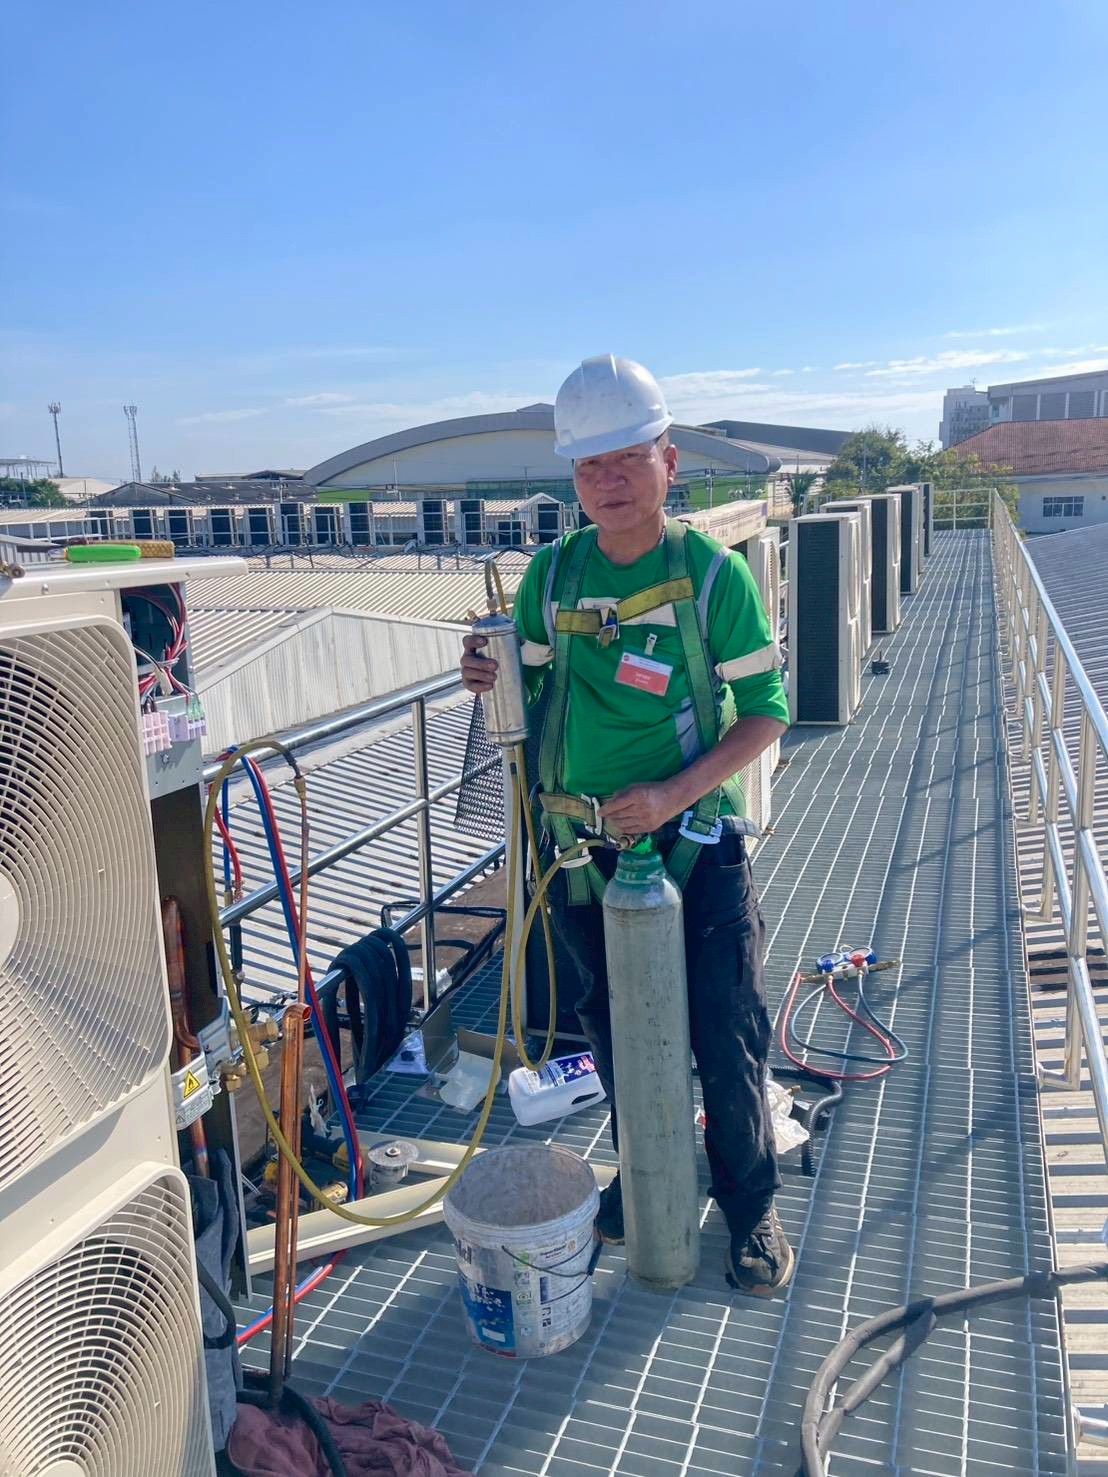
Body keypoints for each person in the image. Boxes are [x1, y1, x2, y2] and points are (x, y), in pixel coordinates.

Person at [460, 355, 792, 1295]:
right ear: (574, 477)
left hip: (693, 847)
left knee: (723, 1032)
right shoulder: (551, 576)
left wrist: (676, 793)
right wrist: (487, 677)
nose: (608, 480)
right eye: (589, 465)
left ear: (668, 461)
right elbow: (528, 692)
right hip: (582, 855)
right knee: (616, 1035)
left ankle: (750, 1203)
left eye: (626, 458)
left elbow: (766, 710)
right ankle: (648, 1175)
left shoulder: (712, 577)